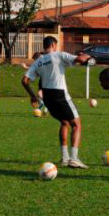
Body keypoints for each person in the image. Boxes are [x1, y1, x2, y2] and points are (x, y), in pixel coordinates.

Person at [22, 36, 90, 169]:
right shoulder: (59, 55)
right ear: (53, 44)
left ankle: (65, 158)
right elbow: (80, 59)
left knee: (64, 122)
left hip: (47, 96)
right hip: (60, 93)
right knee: (76, 125)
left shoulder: (38, 61)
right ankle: (74, 159)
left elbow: (24, 80)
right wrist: (86, 56)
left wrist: (33, 96)